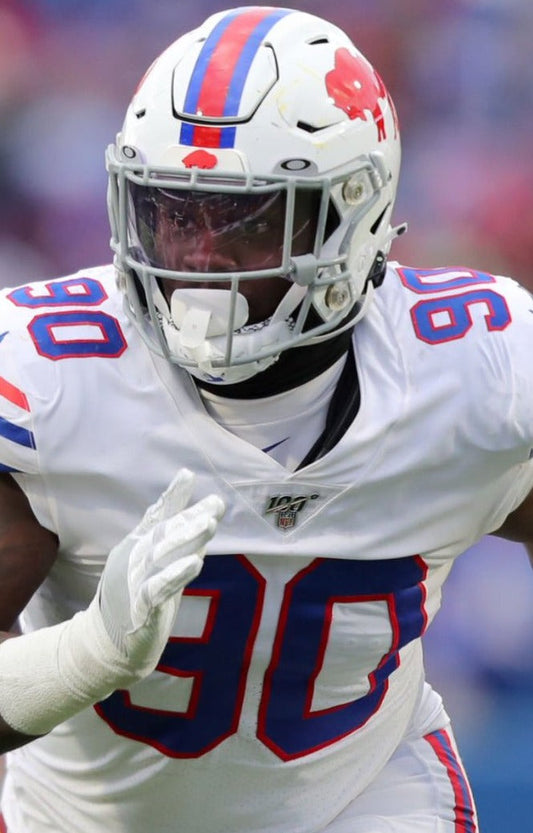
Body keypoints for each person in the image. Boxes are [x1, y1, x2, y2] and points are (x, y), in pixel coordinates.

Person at [0, 6, 531, 832]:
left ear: (349, 217)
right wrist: (85, 653)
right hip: (81, 818)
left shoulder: (475, 365)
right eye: (174, 212)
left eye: (246, 219)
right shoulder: (54, 378)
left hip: (361, 798)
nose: (197, 257)